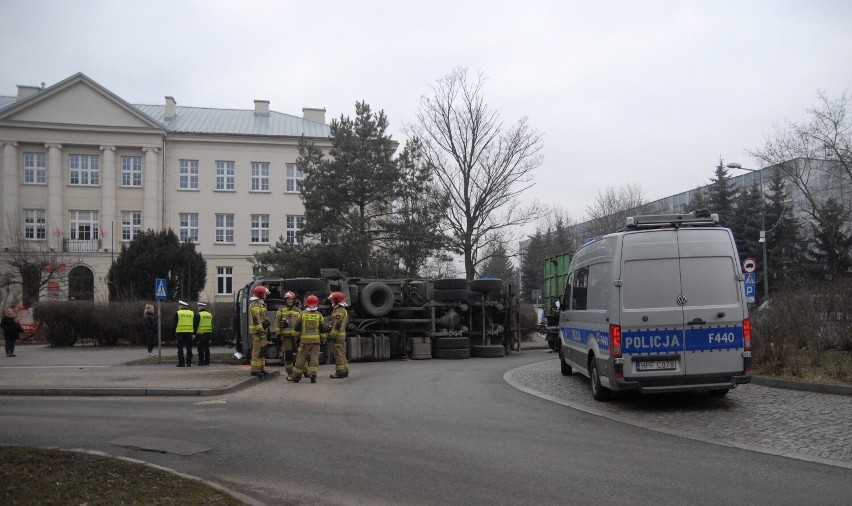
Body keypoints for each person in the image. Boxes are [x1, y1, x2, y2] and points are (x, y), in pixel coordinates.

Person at [290, 294, 327, 383]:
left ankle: (296, 377)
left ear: (307, 303)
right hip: (316, 341)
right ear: (316, 304)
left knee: (301, 358)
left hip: (304, 340)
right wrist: (323, 339)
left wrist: (296, 337)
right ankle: (313, 375)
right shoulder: (319, 315)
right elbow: (322, 329)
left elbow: (297, 327)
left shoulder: (302, 314)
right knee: (314, 358)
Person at [274, 291, 301, 378]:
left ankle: (305, 371)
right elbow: (277, 322)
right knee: (288, 354)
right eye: (288, 299)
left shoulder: (298, 310)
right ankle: (290, 372)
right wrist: (278, 333)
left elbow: (302, 323)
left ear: (294, 300)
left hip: (297, 337)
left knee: (301, 354)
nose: (289, 301)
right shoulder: (281, 310)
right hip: (286, 337)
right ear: (285, 300)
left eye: (291, 299)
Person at [248, 285, 270, 377]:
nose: (266, 296)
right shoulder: (254, 305)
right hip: (257, 331)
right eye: (265, 294)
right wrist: (261, 329)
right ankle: (255, 370)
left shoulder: (260, 304)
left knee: (262, 350)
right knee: (257, 350)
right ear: (261, 295)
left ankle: (261, 368)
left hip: (262, 331)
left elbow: (262, 317)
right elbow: (256, 319)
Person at [327, 291, 350, 379]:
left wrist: (332, 335)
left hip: (337, 336)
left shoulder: (339, 311)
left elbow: (337, 324)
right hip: (340, 335)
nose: (331, 301)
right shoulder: (340, 309)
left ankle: (340, 372)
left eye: (332, 300)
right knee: (341, 353)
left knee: (337, 353)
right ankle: (345, 370)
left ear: (336, 300)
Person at [173, 300, 194, 367]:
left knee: (180, 348)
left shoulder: (177, 313)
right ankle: (189, 363)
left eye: (179, 306)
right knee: (189, 348)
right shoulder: (191, 313)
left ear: (181, 306)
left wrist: (173, 332)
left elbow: (174, 324)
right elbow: (194, 324)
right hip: (189, 332)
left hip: (180, 333)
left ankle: (181, 363)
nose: (178, 307)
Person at [194, 301, 213, 366]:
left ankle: (201, 362)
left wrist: (194, 334)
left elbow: (195, 325)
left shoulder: (198, 315)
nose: (197, 308)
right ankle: (207, 362)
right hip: (208, 333)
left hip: (200, 334)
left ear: (199, 307)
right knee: (207, 348)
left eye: (198, 307)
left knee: (200, 348)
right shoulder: (209, 314)